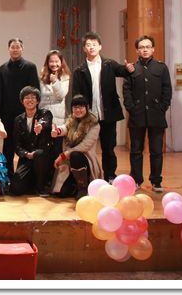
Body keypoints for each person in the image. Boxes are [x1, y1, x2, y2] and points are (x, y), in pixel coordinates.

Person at [71, 32, 134, 183]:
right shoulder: (79, 70)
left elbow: (122, 71)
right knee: (85, 148)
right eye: (88, 45)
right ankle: (88, 176)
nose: (91, 47)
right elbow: (76, 95)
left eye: (94, 44)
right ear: (84, 49)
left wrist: (129, 68)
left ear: (100, 46)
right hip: (87, 116)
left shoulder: (109, 64)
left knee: (108, 148)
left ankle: (110, 175)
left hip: (108, 114)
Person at [122, 35, 172, 192]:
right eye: (142, 47)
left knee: (156, 151)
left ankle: (156, 181)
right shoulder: (131, 69)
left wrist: (162, 107)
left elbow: (167, 89)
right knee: (136, 151)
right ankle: (136, 180)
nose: (145, 49)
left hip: (157, 115)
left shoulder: (161, 68)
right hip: (137, 116)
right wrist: (131, 108)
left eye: (148, 47)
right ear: (137, 50)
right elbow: (126, 91)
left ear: (153, 49)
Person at [0, 38, 39, 178]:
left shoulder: (30, 67)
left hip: (25, 113)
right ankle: (8, 175)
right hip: (7, 113)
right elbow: (0, 92)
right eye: (12, 47)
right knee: (8, 146)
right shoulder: (3, 68)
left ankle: (27, 176)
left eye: (18, 47)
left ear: (22, 49)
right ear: (8, 49)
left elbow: (35, 91)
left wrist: (33, 111)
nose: (15, 49)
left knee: (26, 143)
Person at [50, 94, 103, 200]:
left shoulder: (94, 124)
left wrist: (65, 154)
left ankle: (83, 187)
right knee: (62, 193)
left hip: (85, 160)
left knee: (75, 155)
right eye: (75, 107)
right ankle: (74, 186)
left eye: (81, 107)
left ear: (87, 107)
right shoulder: (71, 120)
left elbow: (85, 146)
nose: (78, 110)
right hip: (69, 162)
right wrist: (57, 131)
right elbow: (64, 128)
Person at [10, 86, 54, 196]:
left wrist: (40, 126)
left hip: (42, 157)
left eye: (33, 97)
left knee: (39, 154)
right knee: (15, 188)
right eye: (27, 97)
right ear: (22, 101)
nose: (30, 100)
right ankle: (32, 184)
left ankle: (41, 187)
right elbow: (17, 144)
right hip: (27, 158)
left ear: (38, 100)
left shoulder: (45, 113)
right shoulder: (18, 119)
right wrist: (26, 153)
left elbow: (46, 121)